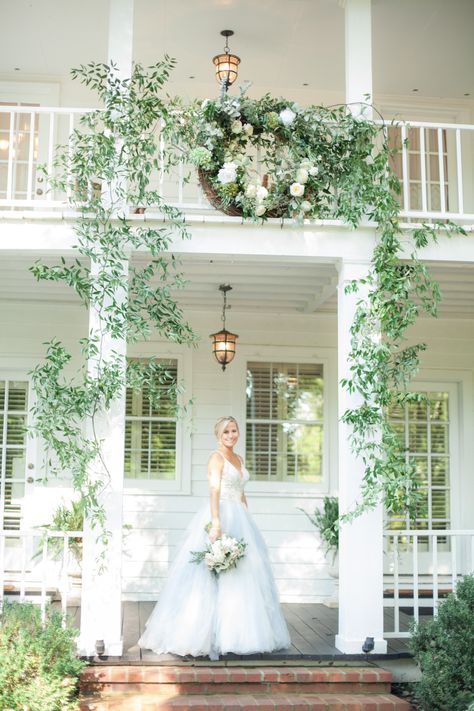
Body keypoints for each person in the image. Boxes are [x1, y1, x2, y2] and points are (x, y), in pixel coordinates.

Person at [138, 415, 291, 660]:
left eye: (234, 430)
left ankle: (239, 633)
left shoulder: (239, 459)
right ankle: (204, 634)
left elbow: (240, 492)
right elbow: (214, 490)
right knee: (212, 576)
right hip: (220, 514)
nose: (231, 435)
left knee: (243, 575)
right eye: (226, 432)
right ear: (218, 435)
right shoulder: (216, 458)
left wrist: (247, 517)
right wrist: (216, 522)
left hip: (240, 517)